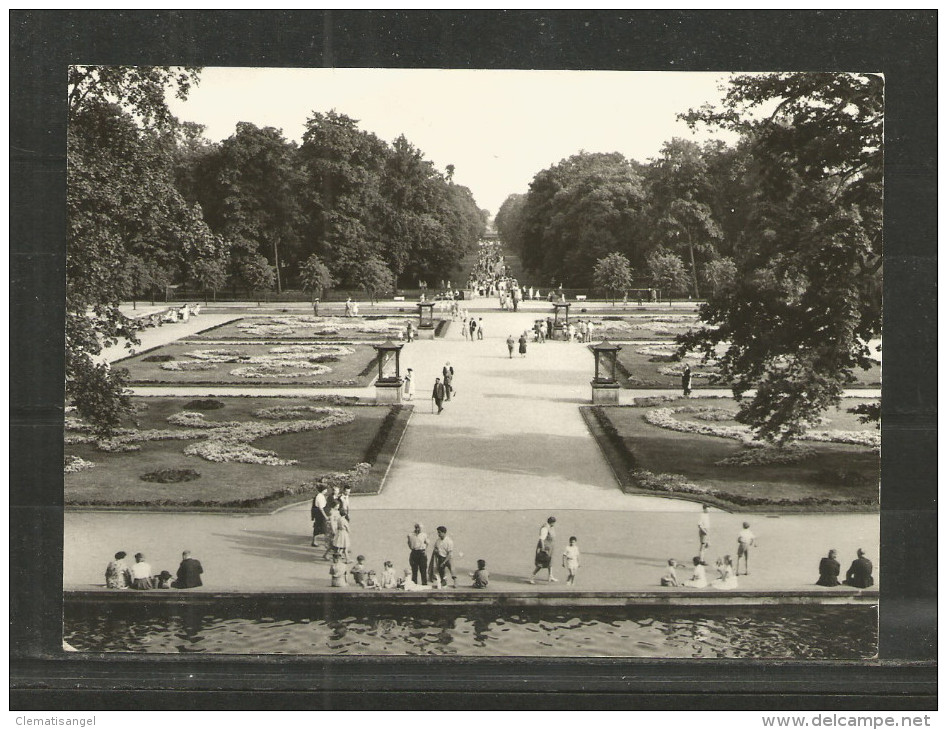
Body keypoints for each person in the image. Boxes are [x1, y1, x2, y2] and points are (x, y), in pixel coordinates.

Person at [529, 517, 558, 583]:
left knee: (550, 562)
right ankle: (532, 577)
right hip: (545, 548)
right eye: (554, 523)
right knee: (541, 564)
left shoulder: (551, 527)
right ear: (552, 522)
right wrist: (543, 549)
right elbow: (541, 539)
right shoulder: (545, 528)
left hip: (550, 548)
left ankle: (550, 576)